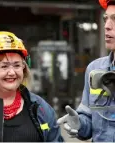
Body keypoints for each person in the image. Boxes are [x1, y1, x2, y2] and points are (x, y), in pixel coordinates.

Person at [57, 0, 115, 142]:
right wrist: (79, 123)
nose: (107, 26)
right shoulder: (94, 70)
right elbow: (88, 121)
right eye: (105, 19)